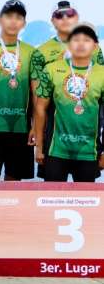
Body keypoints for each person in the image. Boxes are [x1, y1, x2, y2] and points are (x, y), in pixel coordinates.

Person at [0, 0, 42, 181]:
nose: (13, 21)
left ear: (24, 23)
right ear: (0, 20)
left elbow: (37, 94)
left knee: (14, 187)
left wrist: (35, 127)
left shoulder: (32, 53)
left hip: (21, 129)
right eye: (9, 16)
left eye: (18, 17)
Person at [35, 22, 104, 182]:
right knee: (52, 196)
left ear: (95, 46)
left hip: (89, 151)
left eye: (86, 40)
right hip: (56, 150)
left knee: (85, 197)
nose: (81, 44)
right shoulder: (51, 69)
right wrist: (39, 147)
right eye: (76, 39)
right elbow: (40, 108)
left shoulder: (102, 73)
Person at [36, 1, 103, 70]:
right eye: (59, 15)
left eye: (70, 14)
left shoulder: (93, 47)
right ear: (52, 21)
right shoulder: (40, 52)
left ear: (77, 18)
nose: (65, 18)